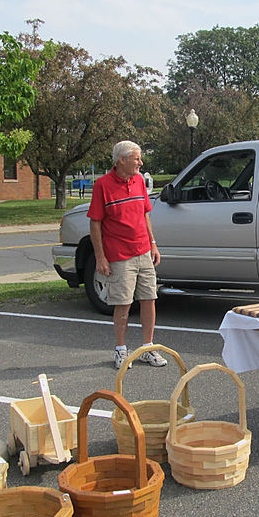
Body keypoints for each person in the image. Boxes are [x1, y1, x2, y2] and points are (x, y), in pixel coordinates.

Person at [88, 140, 167, 369]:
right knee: (123, 303)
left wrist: (153, 243)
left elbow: (145, 215)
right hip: (120, 255)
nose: (140, 162)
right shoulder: (102, 185)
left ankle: (147, 349)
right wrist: (100, 257)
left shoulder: (139, 181)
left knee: (149, 299)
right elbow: (95, 224)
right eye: (136, 158)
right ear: (121, 160)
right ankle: (121, 350)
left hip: (143, 251)